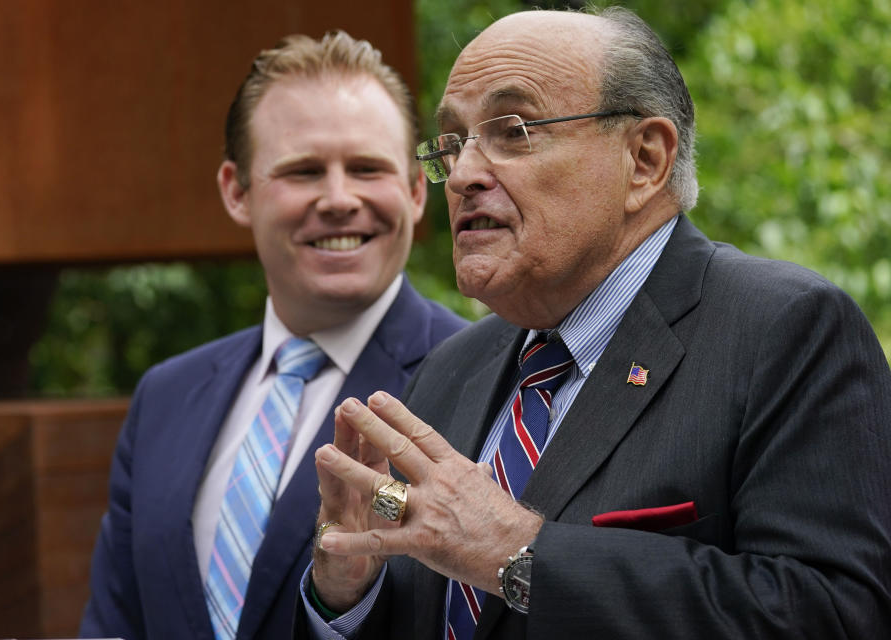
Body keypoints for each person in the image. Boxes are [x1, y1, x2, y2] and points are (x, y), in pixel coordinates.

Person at [300, 7, 891, 639]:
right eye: (453, 142)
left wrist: (520, 555)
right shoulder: (453, 369)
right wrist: (346, 594)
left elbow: (836, 615)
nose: (465, 174)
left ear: (644, 159)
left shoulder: (785, 330)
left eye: (513, 130)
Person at [79, 31, 467, 640]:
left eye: (367, 168)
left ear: (417, 192)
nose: (340, 199)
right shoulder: (165, 395)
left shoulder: (482, 379)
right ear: (237, 191)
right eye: (303, 170)